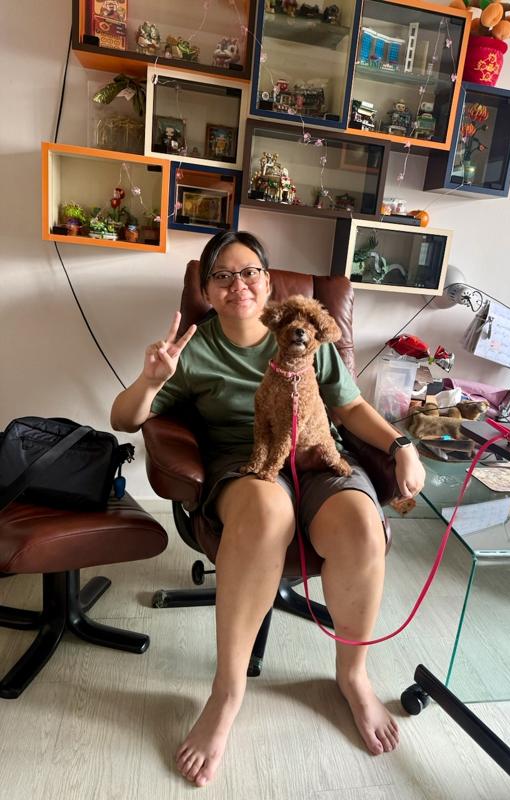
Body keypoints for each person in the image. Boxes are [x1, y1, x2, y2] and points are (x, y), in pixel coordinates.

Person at [111, 230, 425, 788]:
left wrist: (402, 445)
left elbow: (350, 407)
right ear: (206, 288)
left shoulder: (306, 334)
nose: (239, 285)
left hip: (316, 453)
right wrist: (150, 380)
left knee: (361, 525)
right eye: (223, 275)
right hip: (245, 460)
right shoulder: (193, 348)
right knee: (265, 514)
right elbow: (124, 419)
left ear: (267, 278)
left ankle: (353, 676)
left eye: (250, 271)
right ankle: (227, 694)